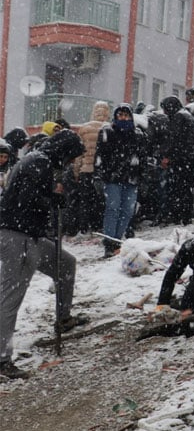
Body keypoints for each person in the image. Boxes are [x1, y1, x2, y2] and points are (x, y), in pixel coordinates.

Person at [0, 130, 88, 379]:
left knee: (66, 264)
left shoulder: (40, 159)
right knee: (10, 297)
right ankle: (2, 360)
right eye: (72, 157)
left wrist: (52, 197)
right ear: (64, 151)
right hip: (19, 236)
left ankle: (63, 318)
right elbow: (26, 199)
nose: (72, 162)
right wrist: (53, 197)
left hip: (32, 235)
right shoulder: (39, 163)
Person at [96, 104, 149, 257]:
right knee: (112, 209)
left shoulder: (138, 135)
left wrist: (143, 177)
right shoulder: (107, 132)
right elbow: (100, 155)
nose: (123, 118)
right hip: (112, 177)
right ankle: (110, 242)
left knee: (127, 210)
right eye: (120, 115)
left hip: (131, 178)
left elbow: (143, 158)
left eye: (126, 115)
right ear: (116, 116)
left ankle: (117, 240)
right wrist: (98, 175)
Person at [69, 101, 112, 235]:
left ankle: (83, 227)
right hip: (102, 171)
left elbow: (78, 153)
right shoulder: (110, 128)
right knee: (100, 200)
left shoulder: (84, 128)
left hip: (86, 170)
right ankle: (97, 226)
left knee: (85, 199)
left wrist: (76, 171)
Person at [159, 96, 194, 225]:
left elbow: (174, 139)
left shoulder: (178, 117)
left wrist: (167, 155)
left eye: (165, 109)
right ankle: (186, 215)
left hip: (181, 159)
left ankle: (178, 215)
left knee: (177, 188)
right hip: (191, 159)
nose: (165, 113)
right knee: (187, 189)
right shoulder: (188, 116)